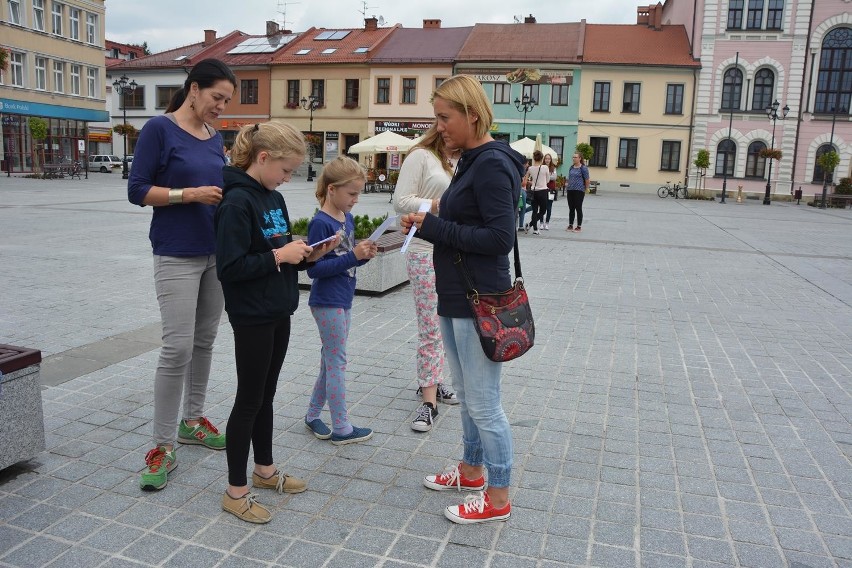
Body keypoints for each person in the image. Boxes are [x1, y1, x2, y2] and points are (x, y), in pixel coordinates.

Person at [400, 74, 525, 524]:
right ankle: (472, 471)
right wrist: (429, 215)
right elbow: (465, 217)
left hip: (481, 298)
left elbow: (499, 237)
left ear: (472, 114)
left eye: (444, 117)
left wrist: (431, 227)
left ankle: (498, 498)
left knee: (485, 404)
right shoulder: (471, 160)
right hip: (457, 294)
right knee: (471, 397)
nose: (438, 126)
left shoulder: (491, 163)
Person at [214, 122, 339, 524]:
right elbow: (231, 267)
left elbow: (279, 250)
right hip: (251, 313)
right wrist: (279, 257)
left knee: (266, 395)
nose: (288, 178)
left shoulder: (272, 198)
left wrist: (312, 253)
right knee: (248, 399)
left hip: (277, 308)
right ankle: (235, 492)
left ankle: (264, 470)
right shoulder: (236, 203)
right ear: (262, 157)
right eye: (286, 170)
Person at [128, 58, 237, 492]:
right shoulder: (159, 129)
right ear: (193, 89)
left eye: (227, 101)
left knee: (204, 341)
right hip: (176, 251)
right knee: (176, 348)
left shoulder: (215, 138)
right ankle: (161, 444)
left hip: (216, 253)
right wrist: (186, 194)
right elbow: (137, 190)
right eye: (217, 98)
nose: (221, 107)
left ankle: (193, 420)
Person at [304, 156, 378, 446]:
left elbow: (345, 260)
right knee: (337, 361)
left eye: (358, 193)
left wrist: (362, 256)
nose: (356, 200)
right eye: (352, 194)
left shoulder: (345, 218)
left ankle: (312, 415)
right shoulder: (320, 224)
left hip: (343, 299)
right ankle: (342, 427)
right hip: (326, 301)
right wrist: (353, 257)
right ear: (331, 189)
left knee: (329, 359)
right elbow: (314, 269)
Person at [392, 126, 460, 433]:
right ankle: (429, 401)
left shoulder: (459, 161)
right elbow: (401, 201)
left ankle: (434, 380)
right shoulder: (421, 156)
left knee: (444, 322)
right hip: (423, 249)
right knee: (431, 325)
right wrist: (438, 205)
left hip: (452, 249)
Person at [523, 150, 550, 235]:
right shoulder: (545, 167)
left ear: (534, 158)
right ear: (542, 158)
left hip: (534, 191)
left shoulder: (530, 168)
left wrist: (532, 182)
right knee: (543, 211)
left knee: (534, 211)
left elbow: (525, 180)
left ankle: (534, 228)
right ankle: (530, 225)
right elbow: (548, 180)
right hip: (543, 191)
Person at [565, 152, 590, 232]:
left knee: (578, 208)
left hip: (579, 190)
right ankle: (570, 225)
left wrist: (586, 188)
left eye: (575, 157)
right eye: (573, 157)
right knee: (571, 208)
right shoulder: (571, 167)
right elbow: (570, 177)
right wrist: (567, 184)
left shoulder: (583, 168)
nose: (574, 158)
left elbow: (587, 179)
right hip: (570, 190)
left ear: (580, 158)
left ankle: (579, 226)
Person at [542, 153, 558, 230]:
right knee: (541, 206)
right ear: (544, 159)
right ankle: (541, 223)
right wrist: (548, 177)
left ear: (551, 160)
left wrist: (545, 176)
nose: (547, 160)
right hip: (542, 189)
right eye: (546, 158)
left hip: (551, 189)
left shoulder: (553, 168)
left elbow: (554, 177)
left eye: (549, 159)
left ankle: (547, 223)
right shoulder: (541, 167)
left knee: (549, 207)